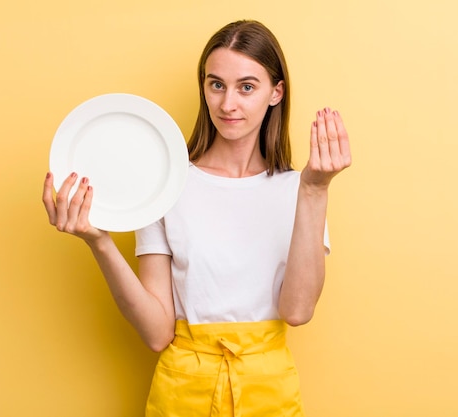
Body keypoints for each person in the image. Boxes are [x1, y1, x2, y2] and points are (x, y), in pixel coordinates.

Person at [43, 19, 351, 417]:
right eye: (216, 84)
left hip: (267, 394)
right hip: (182, 393)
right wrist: (98, 241)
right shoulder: (167, 185)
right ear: (203, 87)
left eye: (247, 86)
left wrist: (314, 190)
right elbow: (157, 334)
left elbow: (297, 311)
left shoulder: (301, 189)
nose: (228, 104)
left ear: (276, 93)